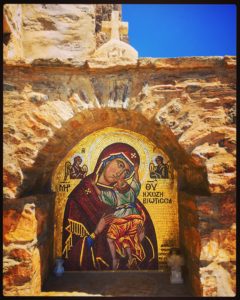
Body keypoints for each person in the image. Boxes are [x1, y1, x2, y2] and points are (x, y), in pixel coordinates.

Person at [62, 143, 158, 271]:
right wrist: (96, 233)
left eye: (126, 171)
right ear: (106, 159)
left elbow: (148, 249)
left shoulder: (127, 196)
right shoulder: (80, 197)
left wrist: (140, 238)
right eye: (120, 164)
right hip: (91, 277)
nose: (120, 173)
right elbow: (71, 250)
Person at [92, 164, 144, 270]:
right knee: (126, 239)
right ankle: (129, 259)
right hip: (132, 218)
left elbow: (102, 195)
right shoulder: (127, 192)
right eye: (121, 182)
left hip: (123, 219)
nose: (122, 182)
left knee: (110, 238)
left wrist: (94, 186)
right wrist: (136, 171)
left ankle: (115, 259)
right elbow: (136, 182)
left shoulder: (120, 194)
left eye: (123, 181)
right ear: (116, 186)